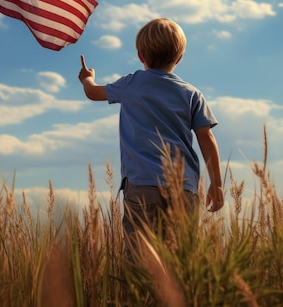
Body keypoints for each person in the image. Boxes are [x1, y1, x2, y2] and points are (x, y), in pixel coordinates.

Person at [78, 17, 224, 248]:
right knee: (181, 258)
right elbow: (206, 137)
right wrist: (216, 184)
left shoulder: (131, 84)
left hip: (142, 185)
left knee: (141, 258)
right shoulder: (193, 94)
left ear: (140, 56)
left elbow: (94, 93)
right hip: (183, 188)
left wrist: (87, 79)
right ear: (180, 57)